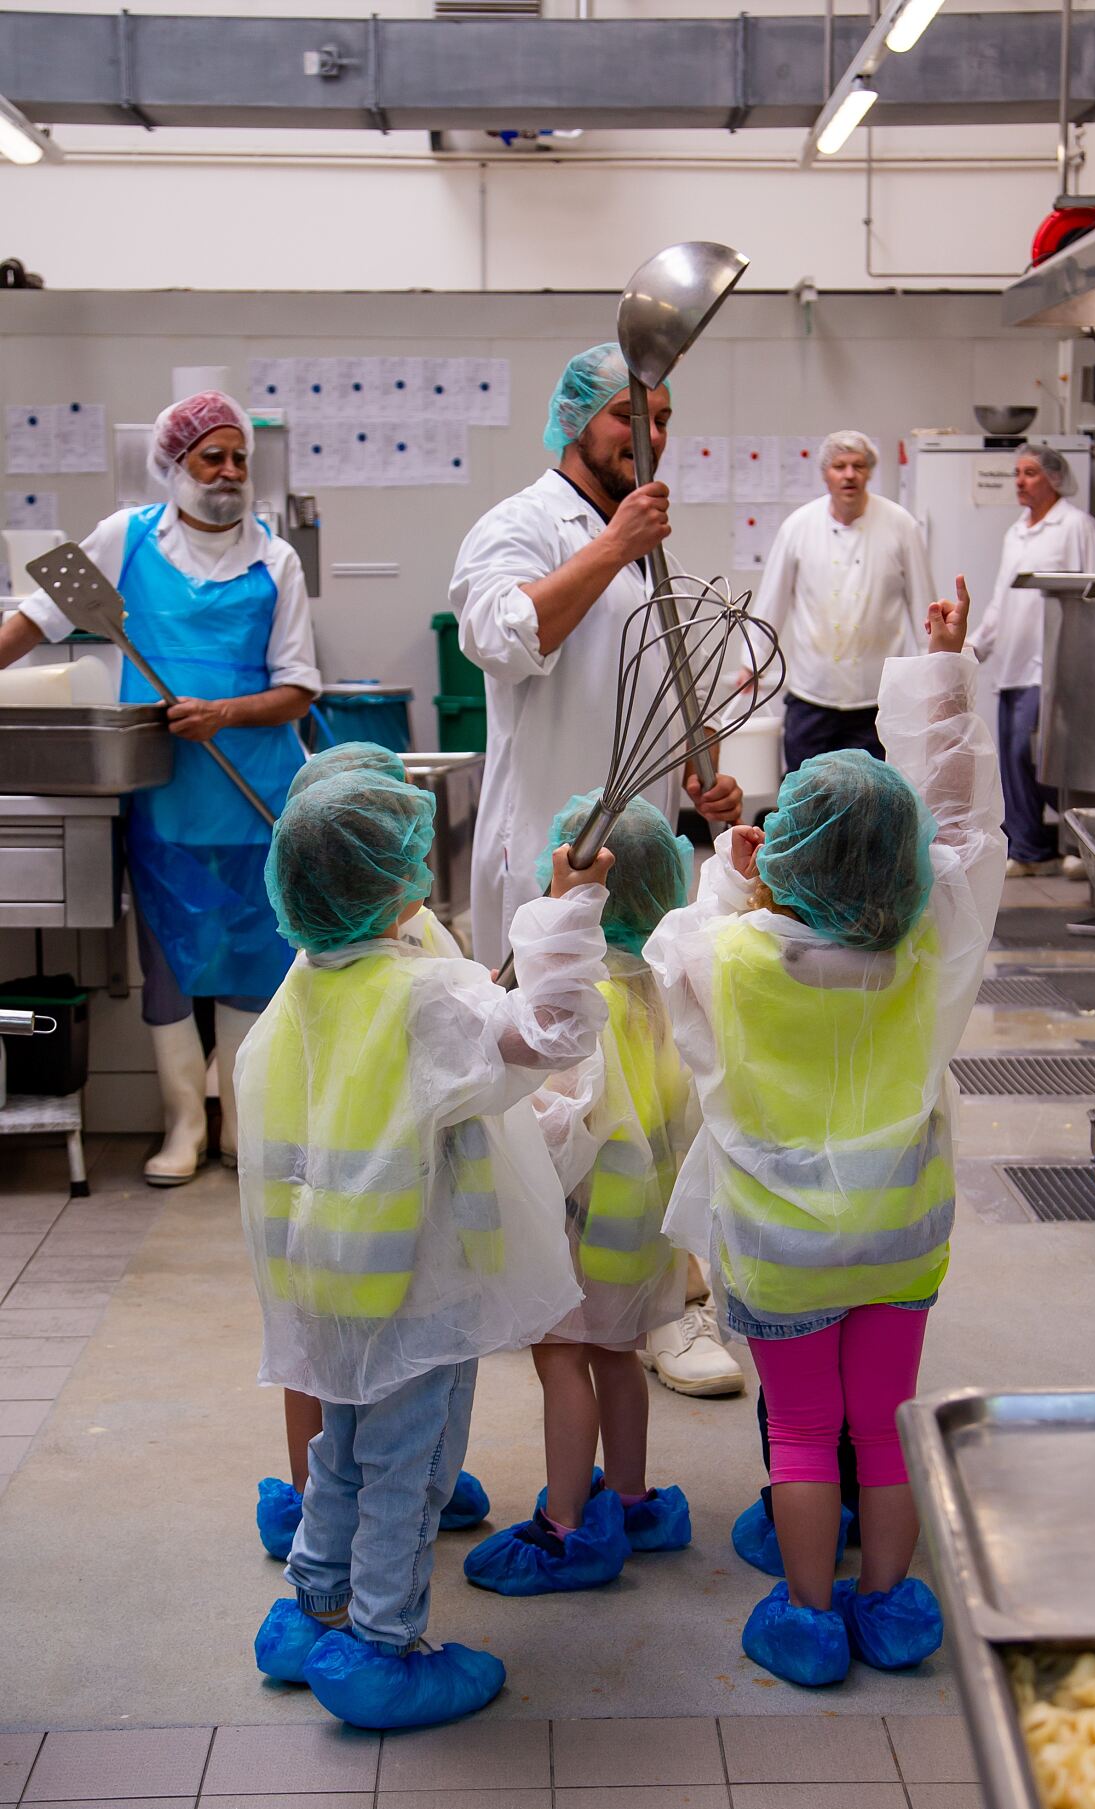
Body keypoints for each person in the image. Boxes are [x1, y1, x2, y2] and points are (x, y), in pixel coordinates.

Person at [645, 577, 1006, 1687]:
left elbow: (680, 938)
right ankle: (890, 1606)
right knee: (884, 1421)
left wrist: (727, 871)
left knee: (801, 1435)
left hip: (783, 1246)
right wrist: (939, 674)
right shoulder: (924, 953)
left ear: (778, 852)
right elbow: (955, 825)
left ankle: (806, 1619)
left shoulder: (722, 958)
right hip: (902, 1232)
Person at [242, 762, 613, 1728]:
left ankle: (310, 1604)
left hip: (326, 1279)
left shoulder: (298, 991)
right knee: (409, 1468)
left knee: (341, 1449)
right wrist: (567, 915)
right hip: (420, 1288)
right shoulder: (427, 999)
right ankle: (380, 1644)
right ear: (395, 885)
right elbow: (557, 1029)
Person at [451, 341, 745, 1398]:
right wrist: (615, 547)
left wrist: (704, 777)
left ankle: (650, 1305)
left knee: (647, 1097)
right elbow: (502, 637)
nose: (649, 434)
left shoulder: (647, 542)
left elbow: (659, 686)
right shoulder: (519, 524)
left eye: (662, 415)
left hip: (641, 870)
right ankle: (549, 1305)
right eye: (629, 413)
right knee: (549, 1100)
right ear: (575, 418)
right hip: (548, 864)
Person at [0, 390, 319, 1186]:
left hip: (256, 791)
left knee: (254, 955)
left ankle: (243, 1123)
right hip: (165, 793)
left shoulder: (275, 559)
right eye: (212, 456)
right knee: (170, 958)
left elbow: (299, 688)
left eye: (240, 457)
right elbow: (35, 620)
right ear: (174, 466)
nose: (230, 472)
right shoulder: (126, 541)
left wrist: (225, 713)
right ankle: (183, 1122)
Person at [252, 743, 489, 1565]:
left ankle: (319, 1548)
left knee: (333, 1400)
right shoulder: (403, 965)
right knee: (382, 1423)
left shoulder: (315, 956)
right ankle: (377, 1605)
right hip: (395, 1242)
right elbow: (494, 1064)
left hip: (314, 1238)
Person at [464, 793, 696, 1596]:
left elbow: (556, 1117)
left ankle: (566, 1524)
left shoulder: (576, 994)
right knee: (620, 1351)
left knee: (562, 1358)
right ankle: (629, 1497)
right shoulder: (663, 986)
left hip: (575, 1217)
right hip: (637, 1222)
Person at [744, 430, 935, 766]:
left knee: (873, 801)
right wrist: (752, 661)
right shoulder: (798, 527)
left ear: (870, 472)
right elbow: (771, 601)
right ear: (825, 473)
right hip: (811, 695)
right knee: (806, 796)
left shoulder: (900, 526)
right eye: (840, 466)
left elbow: (924, 606)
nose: (849, 474)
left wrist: (936, 673)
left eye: (858, 466)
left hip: (876, 700)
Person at [969, 444, 1095, 878]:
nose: (1020, 481)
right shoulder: (1016, 533)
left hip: (1053, 666)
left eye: (1029, 473)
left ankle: (1086, 841)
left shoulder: (1078, 527)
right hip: (1012, 663)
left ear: (1054, 478)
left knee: (1039, 756)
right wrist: (971, 649)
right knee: (1011, 759)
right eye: (1017, 473)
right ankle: (1029, 849)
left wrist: (1090, 665)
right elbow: (1000, 602)